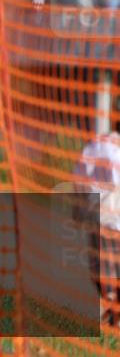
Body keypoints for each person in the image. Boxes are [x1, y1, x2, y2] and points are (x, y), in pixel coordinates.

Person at [71, 130, 120, 326]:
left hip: (102, 218)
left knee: (100, 270)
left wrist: (77, 210)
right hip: (104, 218)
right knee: (101, 271)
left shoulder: (99, 143)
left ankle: (113, 313)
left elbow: (78, 178)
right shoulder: (104, 145)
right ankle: (113, 312)